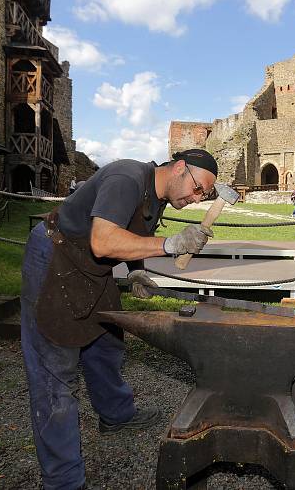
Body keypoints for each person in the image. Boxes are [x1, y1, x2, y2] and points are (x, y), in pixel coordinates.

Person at [21, 149, 218, 489]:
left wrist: (137, 272)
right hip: (55, 255)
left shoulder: (158, 198)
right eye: (198, 188)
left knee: (107, 342)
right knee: (55, 377)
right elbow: (102, 241)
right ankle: (63, 481)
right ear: (180, 168)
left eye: (205, 195)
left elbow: (132, 234)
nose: (197, 198)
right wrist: (170, 244)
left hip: (93, 269)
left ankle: (116, 414)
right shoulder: (126, 178)